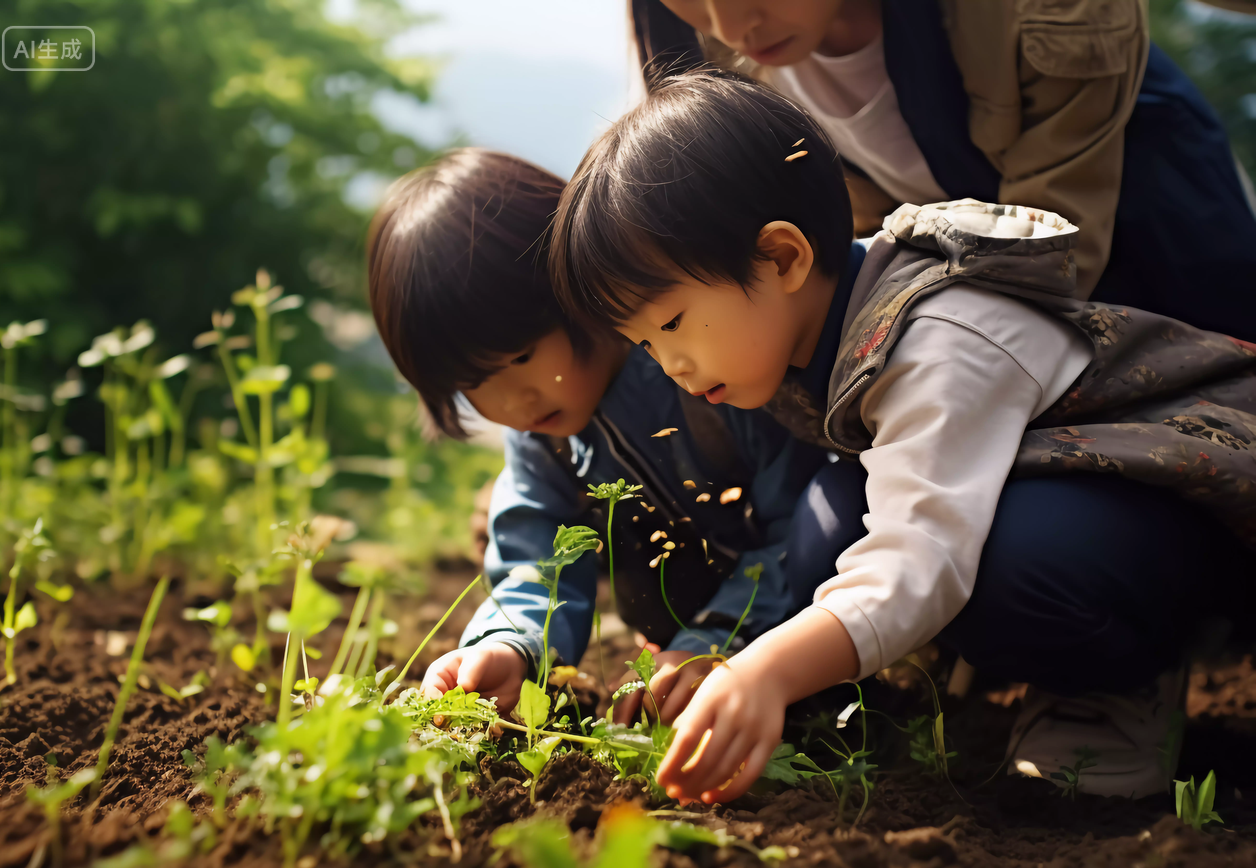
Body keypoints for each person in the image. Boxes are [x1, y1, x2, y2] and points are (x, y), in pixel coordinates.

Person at [550, 69, 1256, 803]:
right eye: (645, 345)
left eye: (671, 324)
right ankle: (1016, 650)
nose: (673, 367)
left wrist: (764, 672)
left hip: (1198, 520)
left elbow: (921, 553)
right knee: (829, 525)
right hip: (1085, 497)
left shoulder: (936, 338)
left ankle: (1120, 681)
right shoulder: (811, 330)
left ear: (783, 258)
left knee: (1018, 561)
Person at [365, 147, 828, 721]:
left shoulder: (707, 370)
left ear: (577, 291)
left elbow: (796, 526)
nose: (513, 401)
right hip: (678, 656)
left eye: (523, 356)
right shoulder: (542, 445)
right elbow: (536, 564)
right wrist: (508, 646)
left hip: (805, 624)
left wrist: (721, 640)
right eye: (472, 383)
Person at [628, 0, 1256, 340]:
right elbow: (862, 215)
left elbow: (1059, 234)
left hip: (1143, 225)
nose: (732, 24)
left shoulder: (1039, 12)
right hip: (972, 286)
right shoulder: (729, 60)